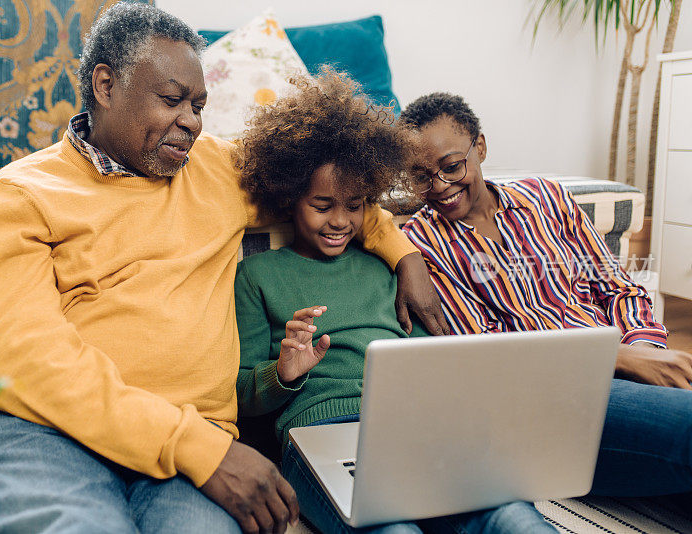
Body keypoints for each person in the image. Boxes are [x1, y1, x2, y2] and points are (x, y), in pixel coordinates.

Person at [0, 3, 449, 533]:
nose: (190, 121)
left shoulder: (216, 168)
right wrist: (195, 447)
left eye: (198, 104)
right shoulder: (17, 197)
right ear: (105, 84)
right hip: (47, 435)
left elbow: (332, 196)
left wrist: (404, 254)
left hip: (197, 446)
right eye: (172, 100)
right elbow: (22, 357)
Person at [235, 72, 560, 534]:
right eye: (322, 205)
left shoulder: (383, 266)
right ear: (290, 198)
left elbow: (431, 357)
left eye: (355, 204)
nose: (340, 221)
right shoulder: (258, 276)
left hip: (412, 429)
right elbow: (241, 395)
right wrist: (284, 371)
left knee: (510, 514)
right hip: (317, 439)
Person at [400, 92, 692, 521]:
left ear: (479, 148)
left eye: (451, 166)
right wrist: (622, 359)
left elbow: (617, 289)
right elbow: (496, 358)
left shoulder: (547, 198)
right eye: (421, 177)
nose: (440, 186)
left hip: (625, 374)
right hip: (549, 411)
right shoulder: (420, 245)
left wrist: (649, 353)